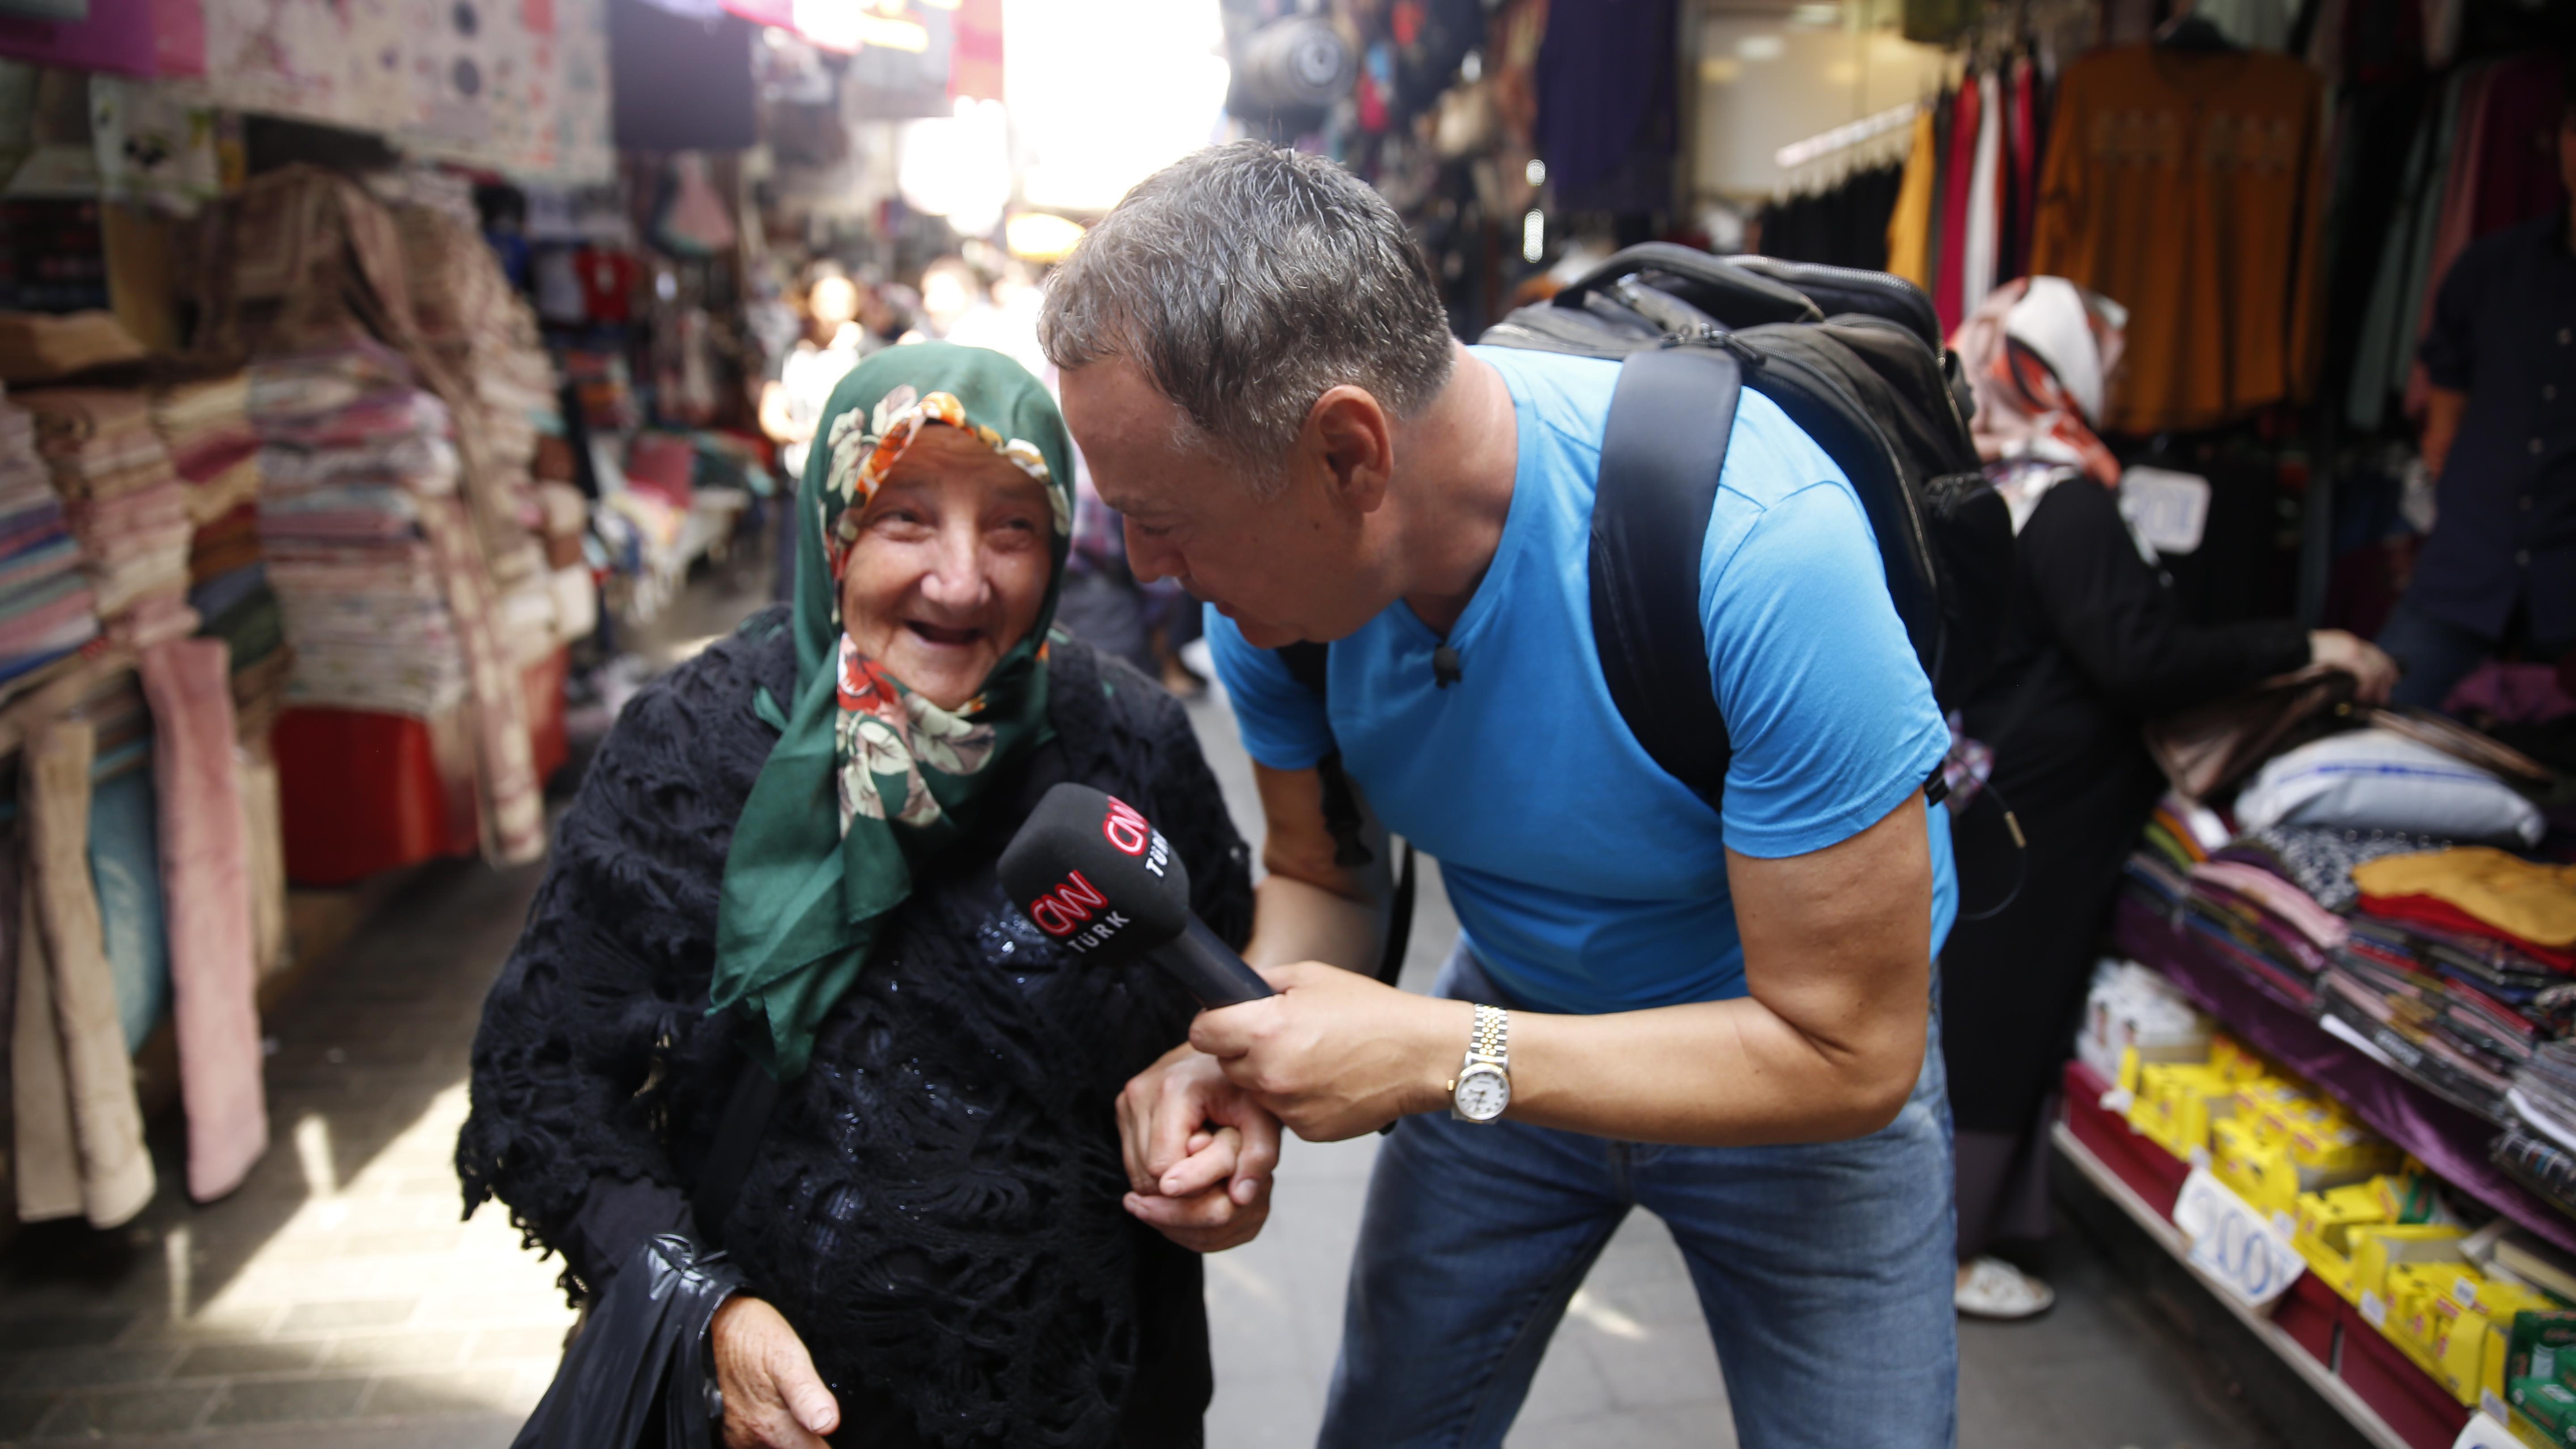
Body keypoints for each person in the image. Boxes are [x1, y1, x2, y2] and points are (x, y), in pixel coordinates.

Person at [1045, 141, 1962, 1449]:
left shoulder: (1760, 552)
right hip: (1514, 1011)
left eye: (1166, 520)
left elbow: (1848, 1052)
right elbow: (1322, 873)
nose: (1149, 569)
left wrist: (1435, 1054)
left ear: (1349, 455)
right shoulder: (1277, 591)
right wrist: (1232, 1043)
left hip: (1789, 1093)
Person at [458, 343, 1275, 1449]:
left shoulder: (1125, 738)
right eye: (905, 517)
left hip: (1103, 1399)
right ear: (832, 528)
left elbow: (1224, 1009)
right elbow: (540, 1082)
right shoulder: (690, 750)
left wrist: (1226, 1134)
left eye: (1012, 526)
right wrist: (709, 1321)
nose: (961, 577)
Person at [1937, 277, 2396, 1320]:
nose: (2123, 374)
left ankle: (1950, 1239)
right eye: (2104, 351)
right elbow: (2138, 658)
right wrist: (2302, 645)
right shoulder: (2068, 500)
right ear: (2061, 367)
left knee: (1973, 1013)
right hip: (2045, 810)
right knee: (2002, 1023)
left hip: (1988, 781)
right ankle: (1953, 1256)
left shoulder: (1984, 479)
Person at [2377, 84, 2575, 711]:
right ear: (2565, 143)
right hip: (2468, 568)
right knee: (2375, 730)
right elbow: (2444, 422)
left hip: (2568, 580)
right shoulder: (2494, 268)